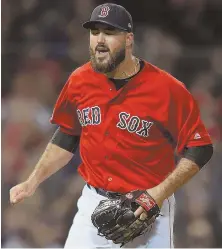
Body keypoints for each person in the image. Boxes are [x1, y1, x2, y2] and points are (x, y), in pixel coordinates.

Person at [10, 3, 214, 248]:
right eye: (95, 32)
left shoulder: (166, 89)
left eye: (109, 32)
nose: (100, 40)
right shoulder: (79, 80)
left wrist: (158, 195)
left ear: (129, 39)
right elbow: (67, 135)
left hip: (148, 209)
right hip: (93, 204)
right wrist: (32, 181)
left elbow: (201, 147)